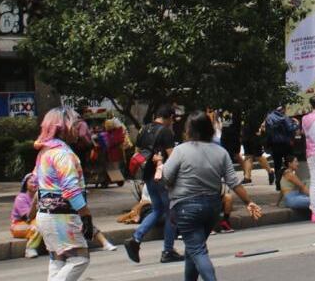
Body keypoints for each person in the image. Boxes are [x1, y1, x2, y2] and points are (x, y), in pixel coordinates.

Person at [159, 111, 262, 281]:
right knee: (193, 248)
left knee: (197, 249)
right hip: (212, 207)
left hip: (186, 207)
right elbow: (233, 182)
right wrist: (248, 202)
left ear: (189, 130)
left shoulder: (180, 151)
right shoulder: (220, 152)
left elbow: (167, 178)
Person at [33, 107, 96, 281]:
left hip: (45, 216)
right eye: (76, 125)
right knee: (80, 259)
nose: (80, 130)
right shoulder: (64, 154)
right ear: (64, 127)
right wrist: (86, 215)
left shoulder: (44, 152)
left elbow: (33, 181)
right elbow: (71, 190)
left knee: (58, 260)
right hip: (62, 217)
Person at [124, 105, 181, 265]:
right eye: (172, 119)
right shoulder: (166, 132)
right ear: (169, 117)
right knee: (171, 212)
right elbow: (173, 157)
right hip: (162, 176)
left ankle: (136, 238)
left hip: (148, 174)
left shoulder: (144, 129)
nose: (172, 122)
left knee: (157, 209)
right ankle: (168, 250)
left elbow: (138, 151)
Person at [259, 106, 295, 193]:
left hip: (274, 144)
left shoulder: (269, 118)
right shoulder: (284, 118)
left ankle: (278, 184)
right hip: (286, 144)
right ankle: (287, 182)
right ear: (283, 110)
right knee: (288, 164)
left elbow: (266, 131)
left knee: (277, 165)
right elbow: (290, 128)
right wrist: (296, 124)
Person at [10, 173, 45, 259]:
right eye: (31, 182)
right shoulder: (21, 198)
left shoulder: (43, 197)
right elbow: (28, 217)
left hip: (33, 222)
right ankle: (30, 248)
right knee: (38, 226)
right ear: (25, 184)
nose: (34, 184)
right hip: (18, 225)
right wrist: (35, 203)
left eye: (36, 182)